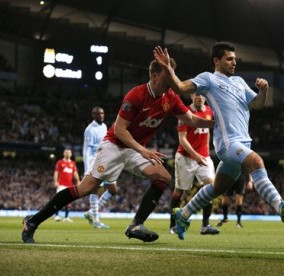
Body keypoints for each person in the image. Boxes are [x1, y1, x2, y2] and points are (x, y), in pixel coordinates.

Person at [21, 57, 215, 243]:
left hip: (135, 149)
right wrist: (143, 150)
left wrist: (219, 123)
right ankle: (32, 222)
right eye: (168, 75)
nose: (173, 80)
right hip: (114, 145)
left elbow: (192, 119)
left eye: (174, 74)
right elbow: (120, 130)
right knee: (87, 188)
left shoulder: (171, 98)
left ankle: (136, 226)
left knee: (163, 177)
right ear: (155, 76)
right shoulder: (136, 95)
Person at [154, 42, 284, 240]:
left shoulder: (238, 81)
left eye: (235, 59)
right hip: (228, 144)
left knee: (216, 189)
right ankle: (280, 205)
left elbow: (257, 104)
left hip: (243, 142)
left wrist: (264, 91)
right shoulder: (208, 79)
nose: (234, 62)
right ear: (216, 60)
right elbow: (179, 87)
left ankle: (183, 214)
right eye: (229, 59)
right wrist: (167, 67)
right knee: (257, 162)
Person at [169, 93, 220, 235]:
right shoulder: (184, 113)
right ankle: (173, 225)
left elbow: (208, 132)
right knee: (179, 191)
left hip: (203, 157)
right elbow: (182, 139)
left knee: (211, 187)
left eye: (203, 95)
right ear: (192, 96)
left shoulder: (209, 111)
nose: (200, 97)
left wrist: (206, 151)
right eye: (197, 94)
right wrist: (195, 155)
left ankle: (205, 225)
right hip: (185, 158)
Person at [82, 106, 117, 229]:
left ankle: (90, 213)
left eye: (102, 113)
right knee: (96, 190)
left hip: (106, 160)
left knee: (113, 189)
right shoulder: (90, 130)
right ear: (93, 115)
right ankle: (96, 220)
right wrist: (88, 168)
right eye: (98, 114)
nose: (101, 116)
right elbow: (86, 150)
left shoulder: (104, 126)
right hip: (95, 162)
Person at [53, 149, 80, 222]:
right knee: (58, 200)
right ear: (63, 153)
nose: (67, 153)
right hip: (61, 185)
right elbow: (56, 172)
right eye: (66, 152)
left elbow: (75, 173)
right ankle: (56, 215)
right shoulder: (60, 162)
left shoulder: (73, 163)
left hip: (69, 185)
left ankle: (66, 217)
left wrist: (78, 181)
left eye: (69, 152)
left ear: (71, 154)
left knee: (68, 201)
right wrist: (55, 181)